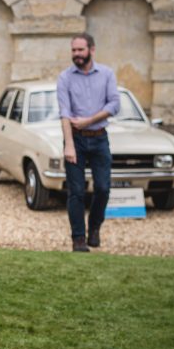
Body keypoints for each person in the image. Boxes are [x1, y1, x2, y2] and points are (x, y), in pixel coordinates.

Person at [56, 33, 119, 253]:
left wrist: (88, 121)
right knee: (76, 191)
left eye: (80, 50)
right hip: (76, 139)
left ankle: (94, 229)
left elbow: (114, 105)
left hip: (100, 138)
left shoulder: (107, 74)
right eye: (73, 50)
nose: (76, 54)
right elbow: (65, 114)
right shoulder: (65, 78)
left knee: (103, 188)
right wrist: (69, 145)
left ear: (91, 50)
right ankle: (78, 239)